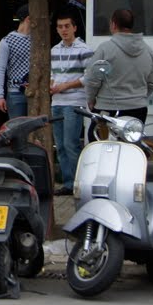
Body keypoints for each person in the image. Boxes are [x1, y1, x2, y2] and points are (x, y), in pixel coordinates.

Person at [86, 8, 153, 126]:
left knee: (100, 142)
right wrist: (139, 97)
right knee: (131, 144)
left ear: (113, 24)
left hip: (107, 108)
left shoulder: (105, 49)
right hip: (138, 109)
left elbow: (92, 79)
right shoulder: (148, 50)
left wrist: (91, 99)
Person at [49, 11, 92, 195]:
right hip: (57, 101)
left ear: (74, 27)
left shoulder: (84, 49)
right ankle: (68, 183)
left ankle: (77, 183)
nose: (64, 30)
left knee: (70, 143)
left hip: (74, 101)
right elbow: (53, 74)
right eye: (60, 27)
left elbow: (90, 76)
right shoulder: (54, 50)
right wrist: (52, 85)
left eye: (67, 26)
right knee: (60, 145)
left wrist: (66, 85)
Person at [0, 4, 32, 118]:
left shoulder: (39, 40)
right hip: (16, 93)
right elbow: (0, 69)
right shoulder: (7, 41)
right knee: (17, 130)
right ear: (28, 19)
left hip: (36, 93)